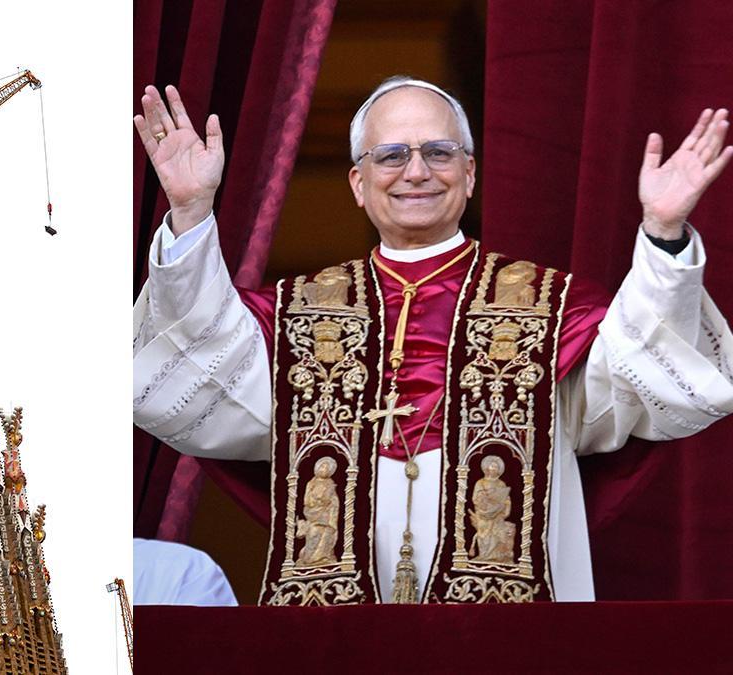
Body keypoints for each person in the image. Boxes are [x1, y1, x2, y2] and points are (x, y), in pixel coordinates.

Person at [132, 76, 733, 604]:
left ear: (469, 175)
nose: (416, 171)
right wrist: (190, 214)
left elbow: (641, 377)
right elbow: (197, 372)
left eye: (439, 152)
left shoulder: (550, 309)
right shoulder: (297, 315)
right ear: (358, 182)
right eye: (391, 155)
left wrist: (664, 232)